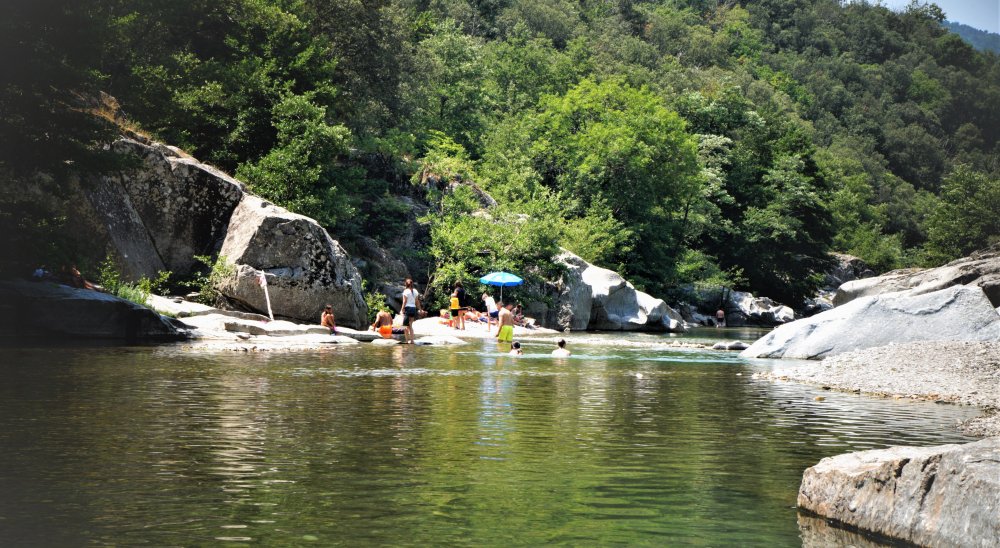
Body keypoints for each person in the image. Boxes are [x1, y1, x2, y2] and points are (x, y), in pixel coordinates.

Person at [400, 278, 422, 344]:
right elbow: (417, 301)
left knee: (404, 326)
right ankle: (412, 341)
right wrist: (420, 309)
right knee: (410, 325)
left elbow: (404, 301)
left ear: (406, 284)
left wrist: (401, 309)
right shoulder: (415, 291)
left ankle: (407, 341)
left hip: (408, 309)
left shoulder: (406, 291)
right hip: (413, 309)